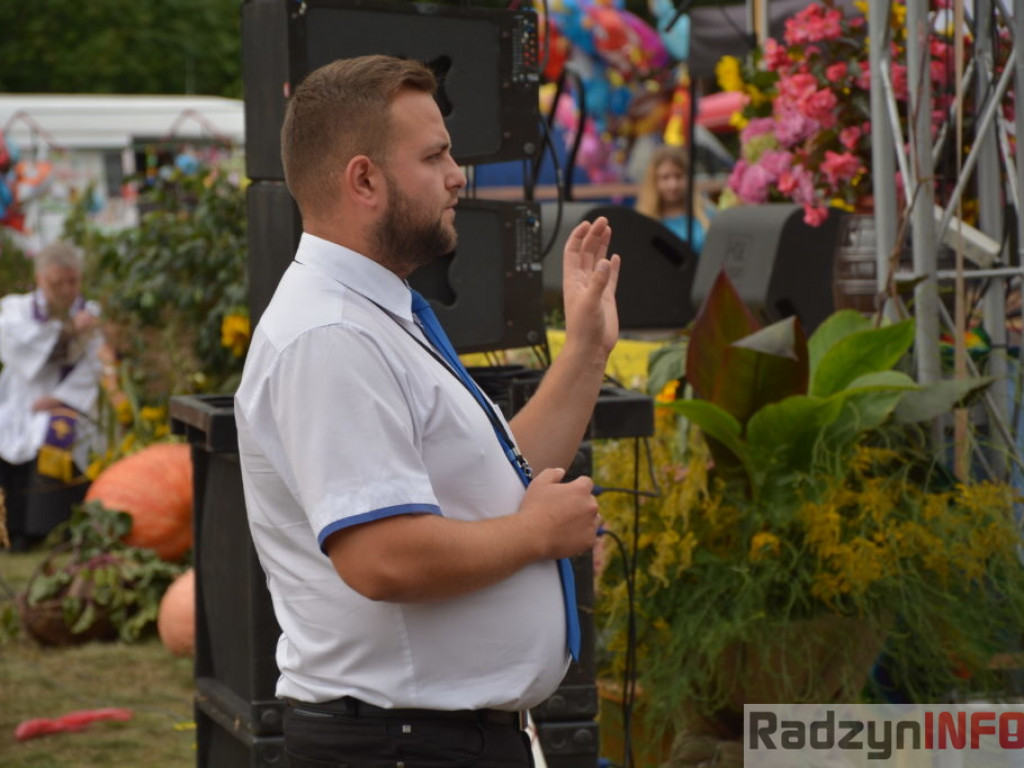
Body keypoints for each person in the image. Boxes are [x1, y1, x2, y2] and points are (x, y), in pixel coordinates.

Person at [234, 54, 621, 767]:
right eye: (436, 155)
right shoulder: (331, 336)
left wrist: (588, 349)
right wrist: (537, 535)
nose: (457, 176)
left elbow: (502, 476)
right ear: (364, 180)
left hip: (432, 739)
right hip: (400, 745)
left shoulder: (375, 312)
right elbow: (383, 558)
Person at [0, 241, 108, 549]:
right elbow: (23, 354)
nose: (65, 289)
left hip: (65, 401)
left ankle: (41, 528)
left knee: (52, 431)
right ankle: (9, 527)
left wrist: (62, 398)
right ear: (40, 279)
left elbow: (94, 365)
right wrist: (71, 330)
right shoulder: (14, 310)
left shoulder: (90, 313)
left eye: (71, 281)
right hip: (19, 399)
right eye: (56, 283)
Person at [635, 143, 712, 254]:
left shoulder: (706, 214)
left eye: (678, 176)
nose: (673, 185)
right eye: (665, 177)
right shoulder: (643, 221)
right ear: (654, 181)